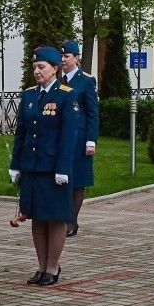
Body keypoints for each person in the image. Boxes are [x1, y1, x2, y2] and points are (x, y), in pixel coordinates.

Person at [9, 46, 78, 286]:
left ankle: (53, 267)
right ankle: (40, 267)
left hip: (53, 168)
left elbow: (69, 136)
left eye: (42, 67)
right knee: (37, 217)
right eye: (35, 68)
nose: (37, 71)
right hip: (31, 166)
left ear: (55, 69)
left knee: (55, 218)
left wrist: (63, 168)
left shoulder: (66, 95)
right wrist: (15, 164)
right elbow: (22, 133)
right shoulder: (29, 95)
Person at [59, 40, 97, 237]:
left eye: (67, 56)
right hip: (60, 138)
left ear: (77, 58)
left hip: (79, 138)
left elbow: (92, 113)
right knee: (62, 178)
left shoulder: (86, 80)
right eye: (61, 56)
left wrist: (91, 140)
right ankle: (62, 218)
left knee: (78, 179)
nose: (63, 60)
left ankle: (72, 221)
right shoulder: (56, 80)